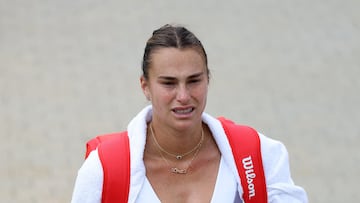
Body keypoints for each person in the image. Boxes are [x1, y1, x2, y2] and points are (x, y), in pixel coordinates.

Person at [71, 24, 308, 203]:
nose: (183, 96)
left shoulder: (259, 154)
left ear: (208, 79)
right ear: (145, 86)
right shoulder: (103, 170)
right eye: (169, 83)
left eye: (194, 80)